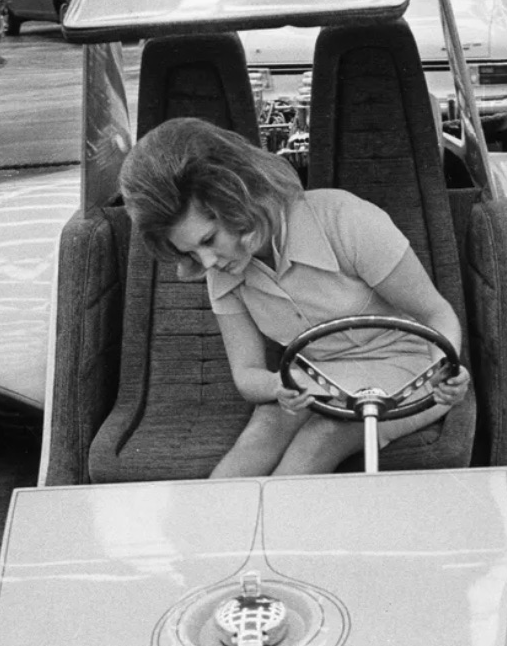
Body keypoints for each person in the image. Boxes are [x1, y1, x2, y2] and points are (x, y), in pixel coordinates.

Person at [118, 117, 470, 478]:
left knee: (317, 440)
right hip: (316, 378)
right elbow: (246, 374)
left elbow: (435, 313)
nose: (206, 262)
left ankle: (284, 533)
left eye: (208, 240)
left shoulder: (345, 219)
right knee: (258, 437)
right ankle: (211, 531)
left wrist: (444, 370)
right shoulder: (220, 271)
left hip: (407, 366)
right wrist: (279, 385)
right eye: (190, 253)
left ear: (239, 199)